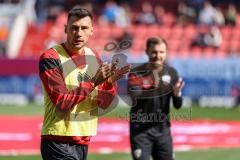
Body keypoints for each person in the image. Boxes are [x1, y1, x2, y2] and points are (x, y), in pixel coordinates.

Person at [39, 6, 130, 160]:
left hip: (83, 141)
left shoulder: (94, 57)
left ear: (91, 31)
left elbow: (103, 104)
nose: (79, 33)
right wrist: (94, 81)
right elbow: (62, 102)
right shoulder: (51, 58)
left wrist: (109, 84)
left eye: (84, 28)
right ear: (66, 29)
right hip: (57, 141)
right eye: (74, 28)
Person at [128, 37, 184, 160]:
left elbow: (177, 105)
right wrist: (150, 84)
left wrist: (177, 94)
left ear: (166, 53)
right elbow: (134, 97)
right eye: (154, 52)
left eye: (161, 52)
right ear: (147, 52)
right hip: (140, 131)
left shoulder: (172, 73)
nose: (158, 56)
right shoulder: (136, 73)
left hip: (163, 131)